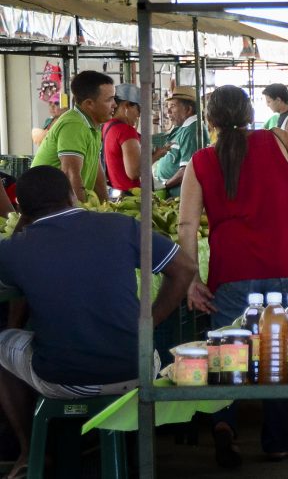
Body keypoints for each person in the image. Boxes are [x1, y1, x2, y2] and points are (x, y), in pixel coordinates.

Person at [0, 166, 193, 478]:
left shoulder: (14, 249)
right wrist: (149, 322)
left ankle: (29, 451)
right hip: (140, 368)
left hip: (66, 380)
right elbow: (185, 268)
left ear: (21, 209)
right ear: (72, 195)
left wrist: (24, 224)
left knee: (3, 343)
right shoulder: (120, 225)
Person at [179, 85, 288, 467]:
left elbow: (187, 225)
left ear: (210, 120)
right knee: (277, 352)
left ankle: (224, 424)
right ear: (251, 114)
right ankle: (276, 441)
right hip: (283, 262)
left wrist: (191, 279)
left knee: (228, 353)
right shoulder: (279, 141)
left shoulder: (200, 161)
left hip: (231, 268)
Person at [31, 70, 115, 204]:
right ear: (89, 104)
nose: (114, 104)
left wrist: (106, 205)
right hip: (46, 206)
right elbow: (70, 174)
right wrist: (80, 212)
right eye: (109, 100)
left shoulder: (92, 125)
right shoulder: (74, 125)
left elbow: (96, 169)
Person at [153, 87, 206, 197]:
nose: (168, 112)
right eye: (168, 107)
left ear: (188, 109)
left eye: (173, 106)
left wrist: (164, 185)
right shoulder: (182, 128)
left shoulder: (192, 130)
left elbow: (187, 170)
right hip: (170, 194)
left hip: (179, 196)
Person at [102, 83, 144, 193]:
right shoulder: (126, 130)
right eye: (138, 109)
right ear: (126, 106)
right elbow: (134, 172)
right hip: (132, 195)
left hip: (116, 191)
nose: (138, 115)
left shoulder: (108, 126)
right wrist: (157, 155)